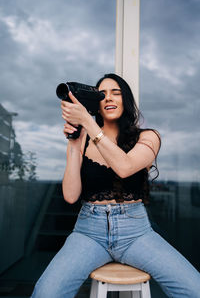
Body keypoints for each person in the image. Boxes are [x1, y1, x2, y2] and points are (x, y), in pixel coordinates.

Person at [31, 73, 200, 298]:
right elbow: (71, 196)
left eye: (116, 93)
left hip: (136, 233)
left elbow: (125, 167)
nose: (109, 98)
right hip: (88, 232)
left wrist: (88, 123)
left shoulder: (148, 137)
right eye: (102, 94)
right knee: (45, 293)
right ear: (96, 104)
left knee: (194, 289)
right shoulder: (84, 139)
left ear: (126, 100)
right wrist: (74, 145)